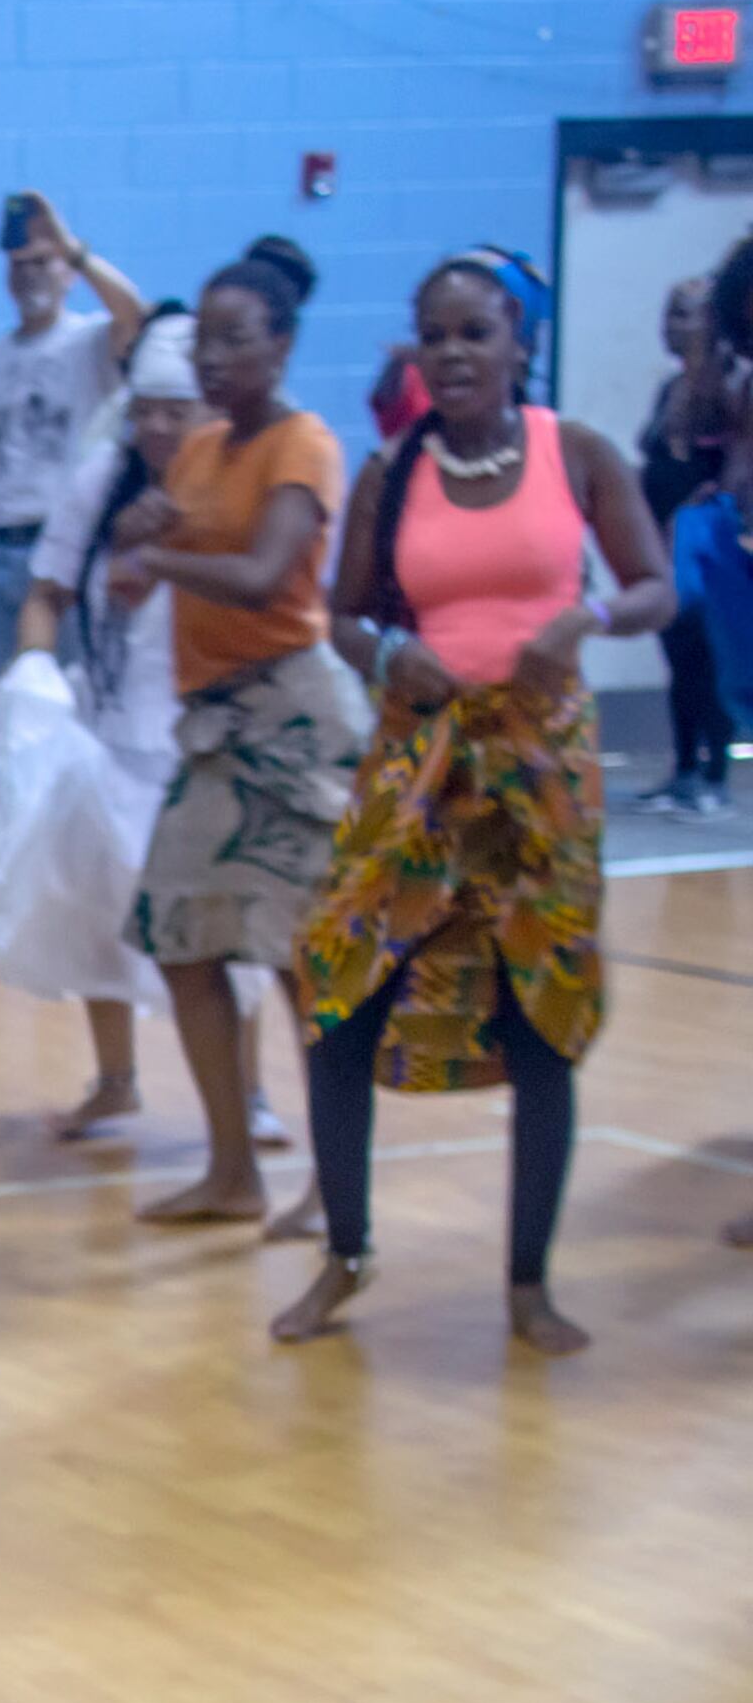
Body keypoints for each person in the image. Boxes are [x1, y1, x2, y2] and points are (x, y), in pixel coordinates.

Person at [279, 257, 673, 1358]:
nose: (449, 354)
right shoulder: (393, 471)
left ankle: (527, 1283)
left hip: (539, 766)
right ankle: (344, 1252)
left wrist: (584, 617)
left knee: (542, 1011)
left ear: (518, 345)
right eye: (432, 336)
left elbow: (654, 587)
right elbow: (342, 614)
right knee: (341, 987)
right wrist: (391, 654)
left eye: (473, 334)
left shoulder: (575, 452)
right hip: (423, 760)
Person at [113, 238, 362, 1229]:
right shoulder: (201, 450)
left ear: (283, 346)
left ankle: (332, 1180)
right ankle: (230, 1170)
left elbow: (264, 576)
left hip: (293, 716)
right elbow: (148, 563)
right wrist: (139, 543)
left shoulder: (304, 445)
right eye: (203, 341)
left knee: (299, 955)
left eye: (235, 340)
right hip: (213, 724)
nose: (214, 359)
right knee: (179, 934)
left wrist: (163, 560)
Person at [0, 308, 223, 1140]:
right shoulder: (100, 481)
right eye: (146, 409)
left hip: (199, 744)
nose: (157, 426)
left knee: (221, 923)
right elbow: (46, 592)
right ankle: (116, 1079)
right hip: (107, 734)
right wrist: (35, 673)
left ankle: (249, 1096)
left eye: (176, 410)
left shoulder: (235, 488)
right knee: (94, 909)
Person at [0, 189, 149, 915]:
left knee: (77, 699)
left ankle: (78, 857)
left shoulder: (90, 341)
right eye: (18, 263)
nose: (30, 275)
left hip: (70, 544)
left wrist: (74, 246)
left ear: (66, 268)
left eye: (42, 261)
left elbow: (136, 312)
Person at [634, 275, 735, 816]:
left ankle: (716, 772)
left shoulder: (729, 390)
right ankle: (683, 769)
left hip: (706, 544)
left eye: (683, 314)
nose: (670, 326)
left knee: (710, 657)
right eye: (667, 314)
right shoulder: (668, 391)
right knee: (679, 659)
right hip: (661, 539)